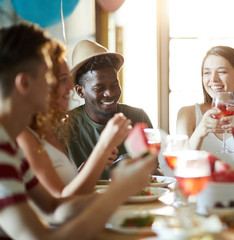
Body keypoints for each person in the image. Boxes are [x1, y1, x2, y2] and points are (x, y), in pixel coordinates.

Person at [0, 23, 157, 239]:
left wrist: (126, 193)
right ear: (24, 83)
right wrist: (118, 191)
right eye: (49, 77)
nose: (60, 87)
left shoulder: (9, 144)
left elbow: (55, 208)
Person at [16, 40, 131, 198]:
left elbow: (67, 195)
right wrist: (103, 148)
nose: (70, 88)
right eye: (64, 79)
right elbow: (60, 204)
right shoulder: (24, 136)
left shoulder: (49, 129)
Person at [67, 39, 163, 179]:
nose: (110, 93)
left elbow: (157, 177)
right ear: (80, 92)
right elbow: (64, 188)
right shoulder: (65, 127)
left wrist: (149, 167)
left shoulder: (138, 118)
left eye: (114, 85)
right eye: (99, 88)